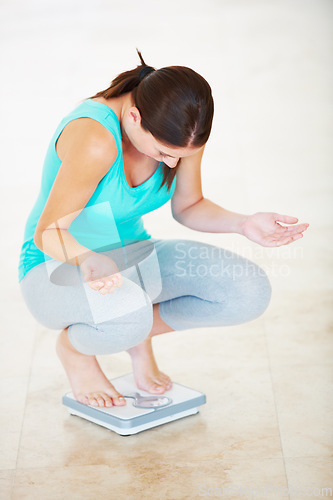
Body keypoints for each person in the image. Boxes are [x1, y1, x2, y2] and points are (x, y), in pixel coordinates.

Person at [18, 50, 309, 409]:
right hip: (56, 264)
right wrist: (88, 259)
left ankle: (132, 330)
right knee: (129, 313)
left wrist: (243, 223)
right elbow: (47, 231)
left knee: (247, 290)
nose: (172, 163)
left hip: (132, 253)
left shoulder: (181, 133)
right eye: (162, 153)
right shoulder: (94, 138)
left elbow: (188, 207)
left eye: (179, 156)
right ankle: (75, 350)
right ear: (135, 118)